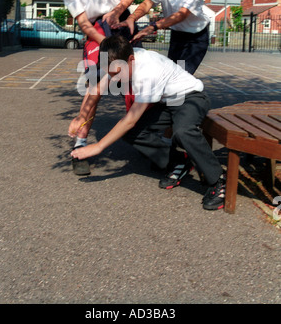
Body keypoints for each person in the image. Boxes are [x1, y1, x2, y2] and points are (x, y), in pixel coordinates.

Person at [70, 35, 226, 211]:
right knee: (131, 133)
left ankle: (219, 180)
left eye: (117, 74)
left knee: (183, 132)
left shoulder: (148, 72)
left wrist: (98, 146)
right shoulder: (120, 58)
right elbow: (97, 89)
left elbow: (130, 120)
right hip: (167, 102)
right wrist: (81, 118)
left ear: (131, 59)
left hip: (190, 97)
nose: (115, 78)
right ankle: (179, 162)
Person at [61, 0, 138, 175]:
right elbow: (84, 24)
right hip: (96, 29)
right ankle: (80, 145)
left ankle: (148, 139)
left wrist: (118, 10)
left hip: (119, 19)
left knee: (135, 78)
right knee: (95, 80)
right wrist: (107, 45)